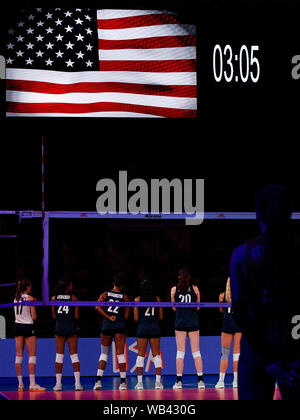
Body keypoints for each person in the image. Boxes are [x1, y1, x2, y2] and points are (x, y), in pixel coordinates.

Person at [230, 184, 300, 400]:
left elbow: (241, 314)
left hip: (257, 350)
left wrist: (269, 359)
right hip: (294, 349)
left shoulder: (241, 254)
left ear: (258, 212)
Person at [93, 272, 130, 390]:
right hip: (120, 325)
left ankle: (98, 381)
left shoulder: (105, 294)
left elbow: (97, 307)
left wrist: (108, 317)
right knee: (120, 354)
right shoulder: (125, 297)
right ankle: (123, 383)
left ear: (113, 283)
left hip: (107, 325)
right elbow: (127, 315)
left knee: (104, 354)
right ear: (123, 286)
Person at [170, 267, 205, 389]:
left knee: (180, 352)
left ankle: (178, 381)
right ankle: (200, 381)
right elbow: (198, 307)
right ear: (189, 277)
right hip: (193, 323)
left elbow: (174, 308)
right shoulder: (195, 289)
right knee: (196, 352)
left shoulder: (174, 290)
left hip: (180, 323)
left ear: (179, 277)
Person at [51, 278, 83, 391]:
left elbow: (54, 316)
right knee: (74, 355)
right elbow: (77, 316)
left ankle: (58, 384)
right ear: (68, 286)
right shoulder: (74, 298)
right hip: (71, 327)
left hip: (59, 327)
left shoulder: (54, 298)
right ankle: (78, 384)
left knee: (59, 356)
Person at [14, 279, 45, 391]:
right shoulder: (31, 298)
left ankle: (20, 385)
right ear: (27, 287)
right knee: (32, 355)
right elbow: (34, 317)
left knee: (19, 355)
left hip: (17, 326)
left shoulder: (15, 298)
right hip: (28, 326)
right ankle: (32, 384)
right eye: (30, 286)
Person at [134, 277, 164, 390]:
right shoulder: (157, 299)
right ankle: (157, 383)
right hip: (154, 328)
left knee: (140, 354)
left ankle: (140, 383)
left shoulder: (137, 299)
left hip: (142, 328)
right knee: (156, 354)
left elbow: (136, 318)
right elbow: (161, 317)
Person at [215, 277, 242, 388]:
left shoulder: (222, 296)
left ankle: (221, 381)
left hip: (227, 324)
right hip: (238, 324)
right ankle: (236, 381)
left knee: (225, 354)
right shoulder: (241, 295)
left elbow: (221, 310)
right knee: (236, 354)